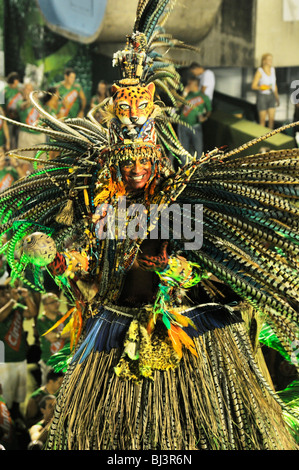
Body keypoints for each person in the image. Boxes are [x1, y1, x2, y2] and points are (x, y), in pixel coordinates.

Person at [0, 6, 298, 451]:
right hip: (113, 328)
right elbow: (92, 262)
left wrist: (181, 269)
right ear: (114, 158)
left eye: (143, 158)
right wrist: (57, 256)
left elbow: (198, 265)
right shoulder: (97, 199)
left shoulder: (180, 195)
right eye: (127, 159)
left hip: (181, 330)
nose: (137, 169)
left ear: (156, 152)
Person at [0, 282, 38, 423]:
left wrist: (27, 297)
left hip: (20, 358)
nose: (6, 295)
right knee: (5, 397)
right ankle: (6, 423)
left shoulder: (16, 307)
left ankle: (15, 419)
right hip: (3, 361)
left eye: (7, 292)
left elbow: (32, 312)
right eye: (2, 294)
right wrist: (12, 301)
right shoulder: (10, 305)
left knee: (18, 395)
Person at [36, 293, 70, 385]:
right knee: (49, 387)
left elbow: (71, 333)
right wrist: (63, 334)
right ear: (45, 306)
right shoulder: (41, 320)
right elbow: (51, 338)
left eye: (57, 301)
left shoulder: (64, 317)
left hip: (64, 360)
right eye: (52, 302)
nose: (57, 304)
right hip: (49, 361)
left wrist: (57, 335)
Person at [177, 74, 212, 164]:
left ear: (195, 85)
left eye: (190, 84)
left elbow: (209, 110)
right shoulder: (186, 95)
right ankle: (184, 172)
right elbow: (177, 105)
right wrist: (184, 93)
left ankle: (198, 170)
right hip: (183, 125)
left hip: (196, 126)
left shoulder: (203, 97)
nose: (188, 86)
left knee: (198, 150)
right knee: (183, 151)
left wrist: (205, 118)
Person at [16, 82, 46, 175]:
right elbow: (23, 106)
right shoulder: (20, 102)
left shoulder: (38, 103)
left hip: (39, 135)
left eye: (30, 89)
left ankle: (38, 184)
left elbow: (44, 116)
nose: (29, 91)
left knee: (40, 162)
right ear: (23, 91)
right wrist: (32, 99)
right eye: (27, 89)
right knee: (24, 164)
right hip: (26, 135)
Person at [251, 53, 280, 129]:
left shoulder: (273, 70)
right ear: (264, 60)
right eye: (269, 59)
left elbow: (274, 85)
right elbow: (253, 86)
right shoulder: (260, 71)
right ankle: (262, 138)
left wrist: (277, 99)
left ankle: (270, 137)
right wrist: (262, 87)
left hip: (271, 95)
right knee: (263, 120)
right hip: (262, 96)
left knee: (271, 119)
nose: (270, 61)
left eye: (271, 59)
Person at [4, 72, 22, 149]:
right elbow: (1, 106)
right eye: (17, 81)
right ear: (14, 80)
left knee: (17, 138)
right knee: (9, 138)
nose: (17, 83)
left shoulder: (19, 90)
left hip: (18, 119)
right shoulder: (4, 91)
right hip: (8, 120)